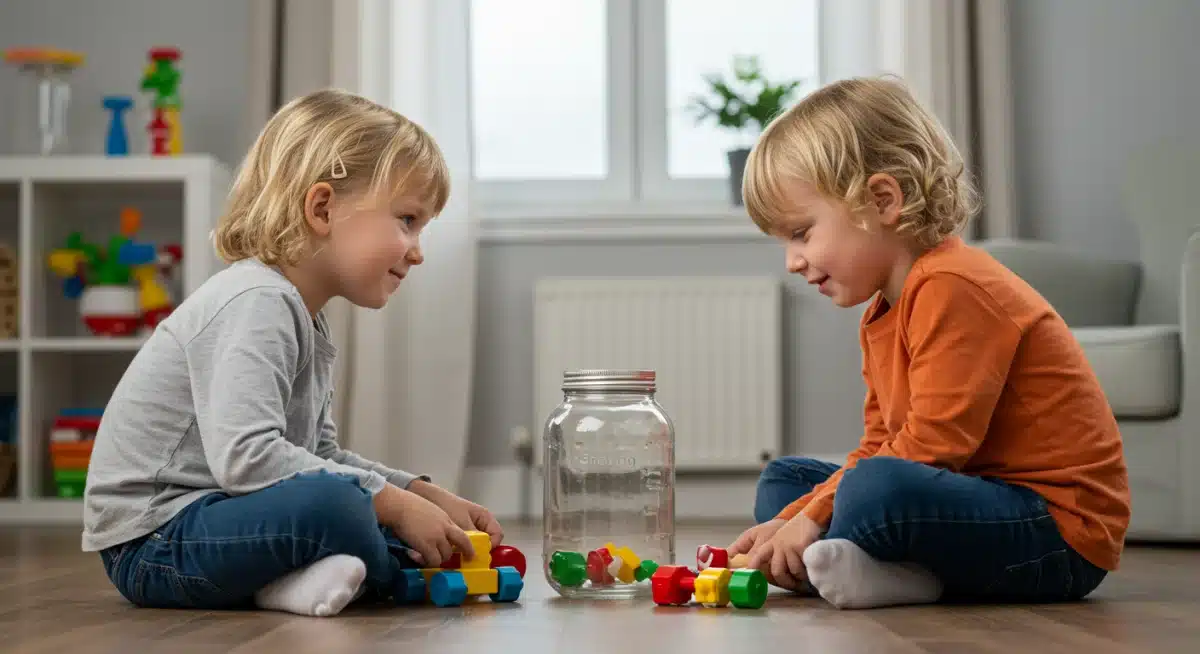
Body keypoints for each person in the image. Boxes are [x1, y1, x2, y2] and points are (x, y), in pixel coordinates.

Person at [81, 88, 502, 617]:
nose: (417, 251)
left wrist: (421, 493)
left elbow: (319, 456)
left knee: (354, 506)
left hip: (218, 520)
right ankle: (314, 576)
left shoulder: (303, 313)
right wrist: (392, 505)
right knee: (342, 508)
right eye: (407, 220)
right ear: (323, 208)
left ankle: (317, 575)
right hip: (155, 541)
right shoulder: (257, 301)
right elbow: (247, 458)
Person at [727, 76, 1130, 609]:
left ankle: (906, 576)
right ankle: (883, 572)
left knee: (872, 492)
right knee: (784, 482)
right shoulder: (881, 311)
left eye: (801, 233)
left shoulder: (952, 285)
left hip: (1055, 531)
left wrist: (810, 518)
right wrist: (790, 518)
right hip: (967, 496)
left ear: (882, 200)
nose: (792, 261)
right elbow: (879, 444)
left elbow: (934, 446)